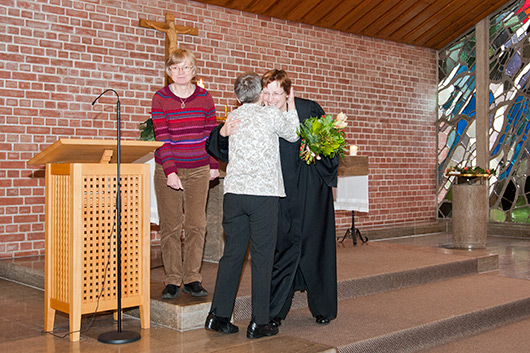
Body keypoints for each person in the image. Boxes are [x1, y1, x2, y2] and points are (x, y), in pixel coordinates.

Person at [207, 69, 339, 326]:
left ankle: (322, 307)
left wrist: (320, 151)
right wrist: (222, 133)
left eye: (277, 93)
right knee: (273, 254)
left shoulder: (309, 110)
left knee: (313, 248)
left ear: (288, 93)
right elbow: (219, 143)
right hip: (272, 198)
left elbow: (331, 143)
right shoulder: (256, 114)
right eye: (265, 92)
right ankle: (270, 313)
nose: (270, 98)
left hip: (306, 194)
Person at [204, 72, 299, 339]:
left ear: (236, 96)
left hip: (234, 195)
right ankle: (260, 322)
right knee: (262, 257)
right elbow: (294, 134)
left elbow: (217, 143)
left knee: (232, 255)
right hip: (262, 196)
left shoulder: (232, 117)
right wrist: (289, 104)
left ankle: (218, 316)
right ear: (260, 95)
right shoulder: (270, 115)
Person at [151, 48, 220, 300]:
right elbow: (163, 138)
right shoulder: (160, 98)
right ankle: (171, 279)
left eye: (186, 67)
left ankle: (192, 277)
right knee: (170, 226)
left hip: (199, 168)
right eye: (175, 68)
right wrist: (170, 171)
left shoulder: (204, 97)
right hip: (167, 169)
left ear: (194, 70)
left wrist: (213, 164)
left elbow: (209, 134)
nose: (181, 72)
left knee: (196, 225)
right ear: (169, 72)